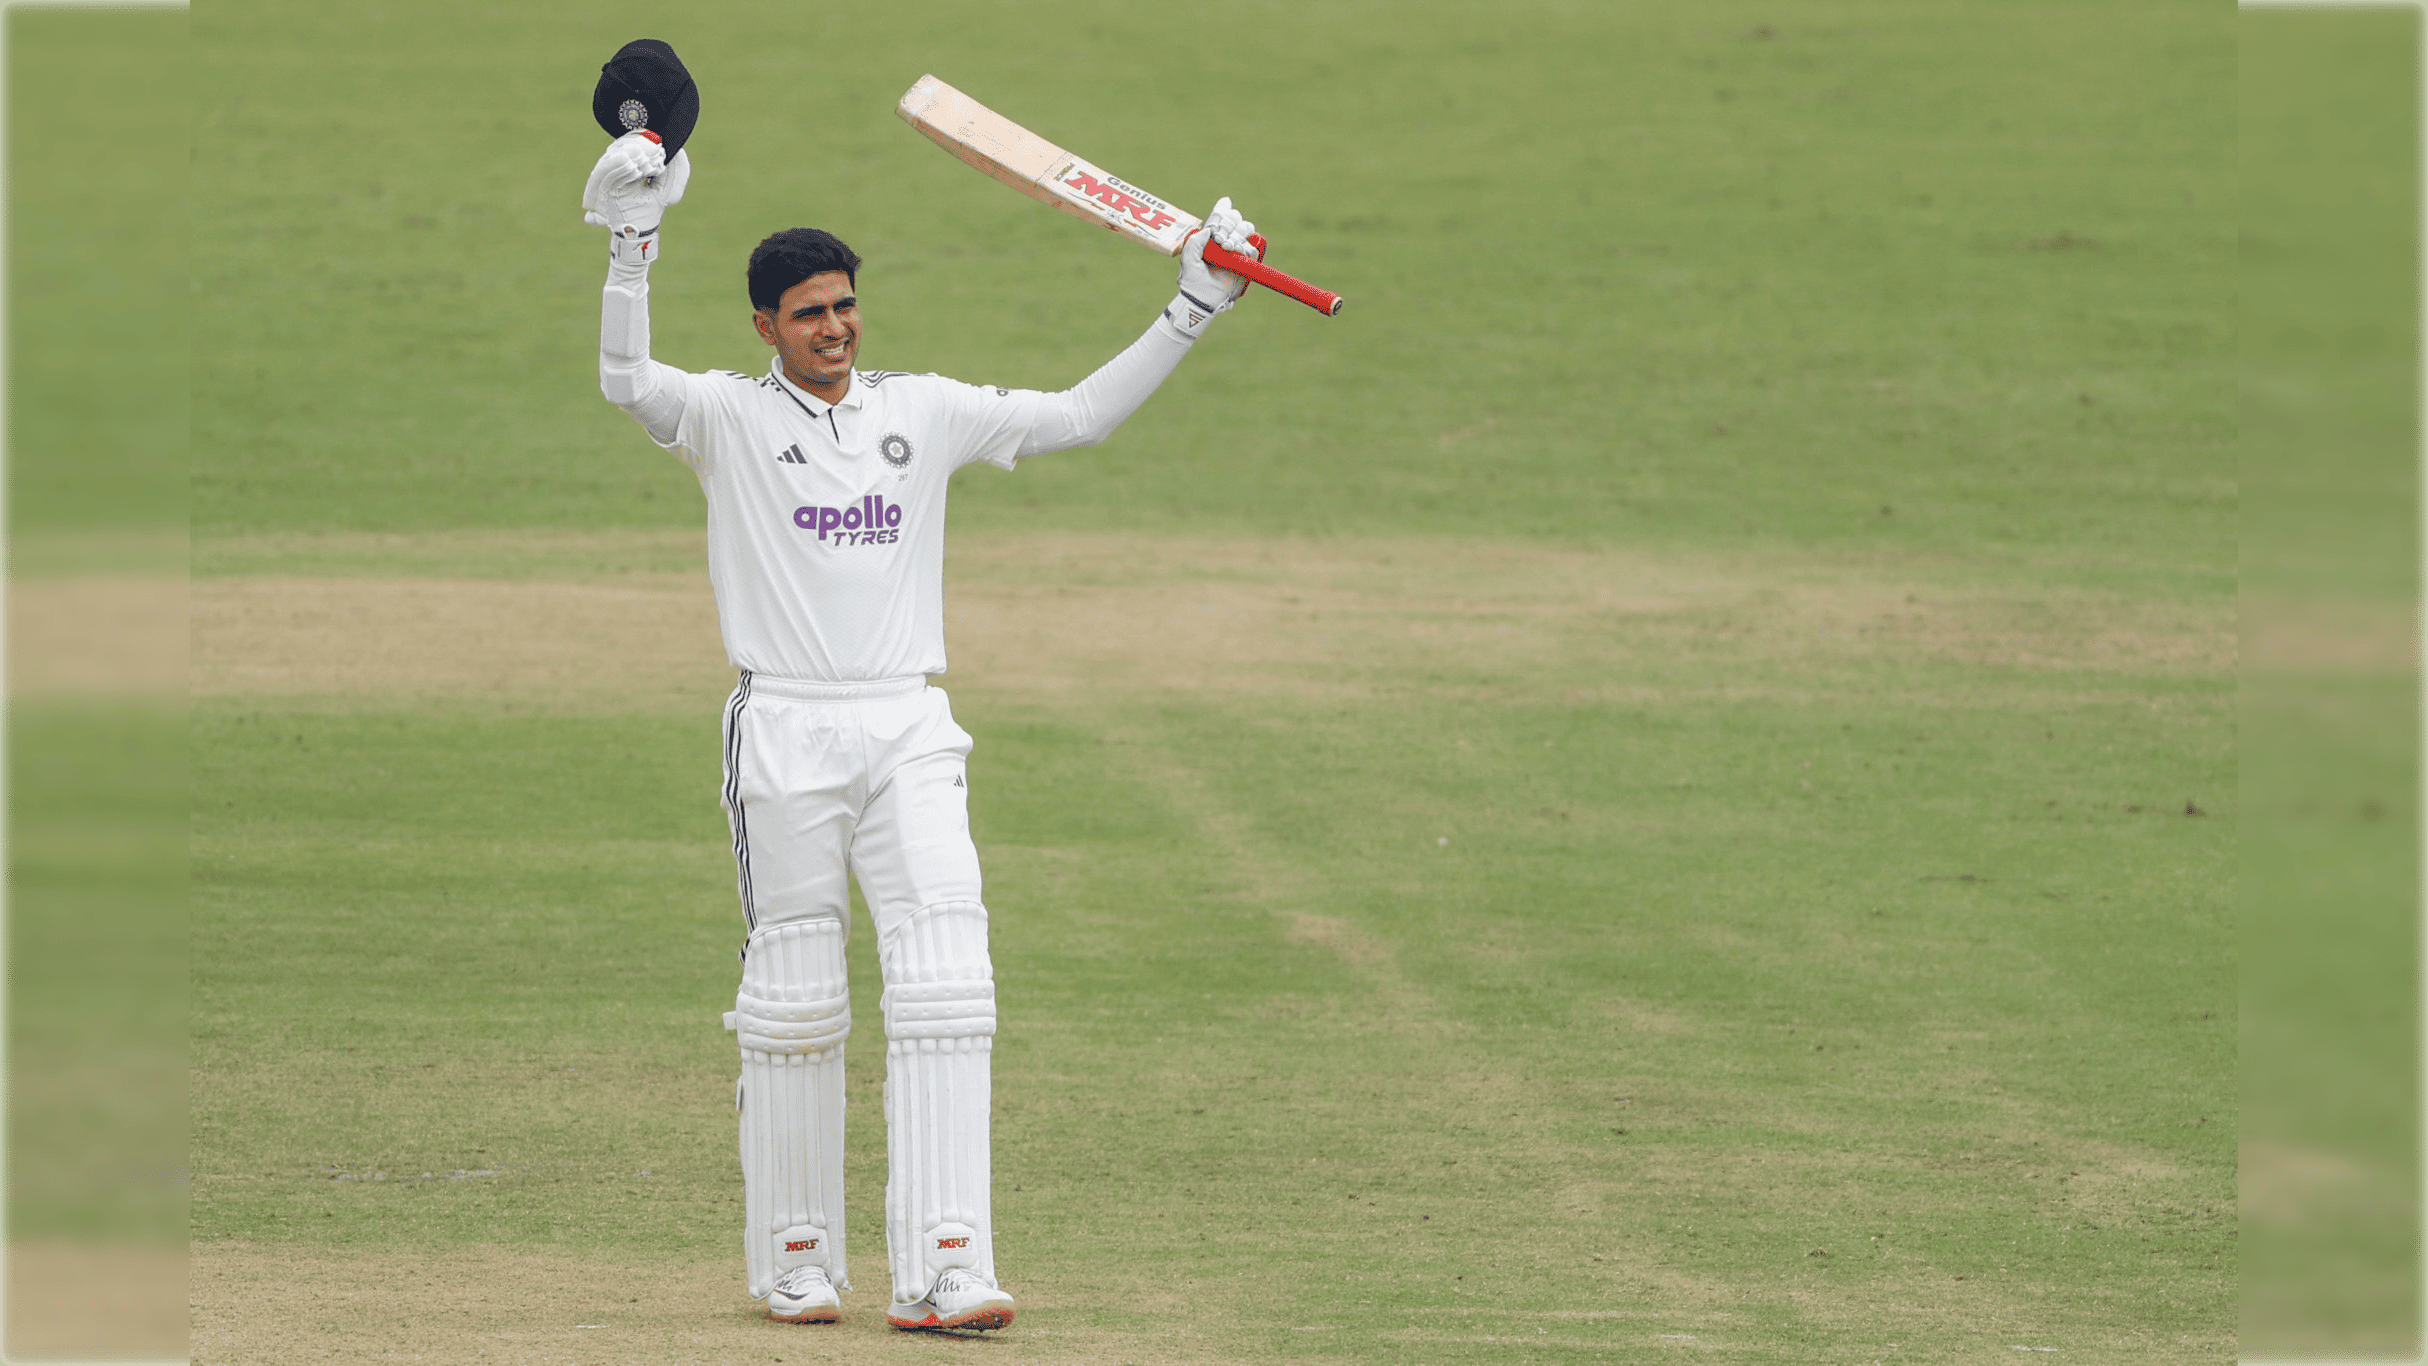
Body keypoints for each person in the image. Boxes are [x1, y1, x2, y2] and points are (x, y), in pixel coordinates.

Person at [581, 128, 1257, 1331]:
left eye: (844, 305)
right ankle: (796, 1257)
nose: (833, 328)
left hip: (907, 725)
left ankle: (948, 1265)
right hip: (786, 727)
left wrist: (1194, 304)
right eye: (808, 314)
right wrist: (633, 246)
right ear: (764, 326)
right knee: (796, 998)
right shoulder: (725, 416)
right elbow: (627, 381)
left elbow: (1078, 416)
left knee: (948, 985)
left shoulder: (922, 409)